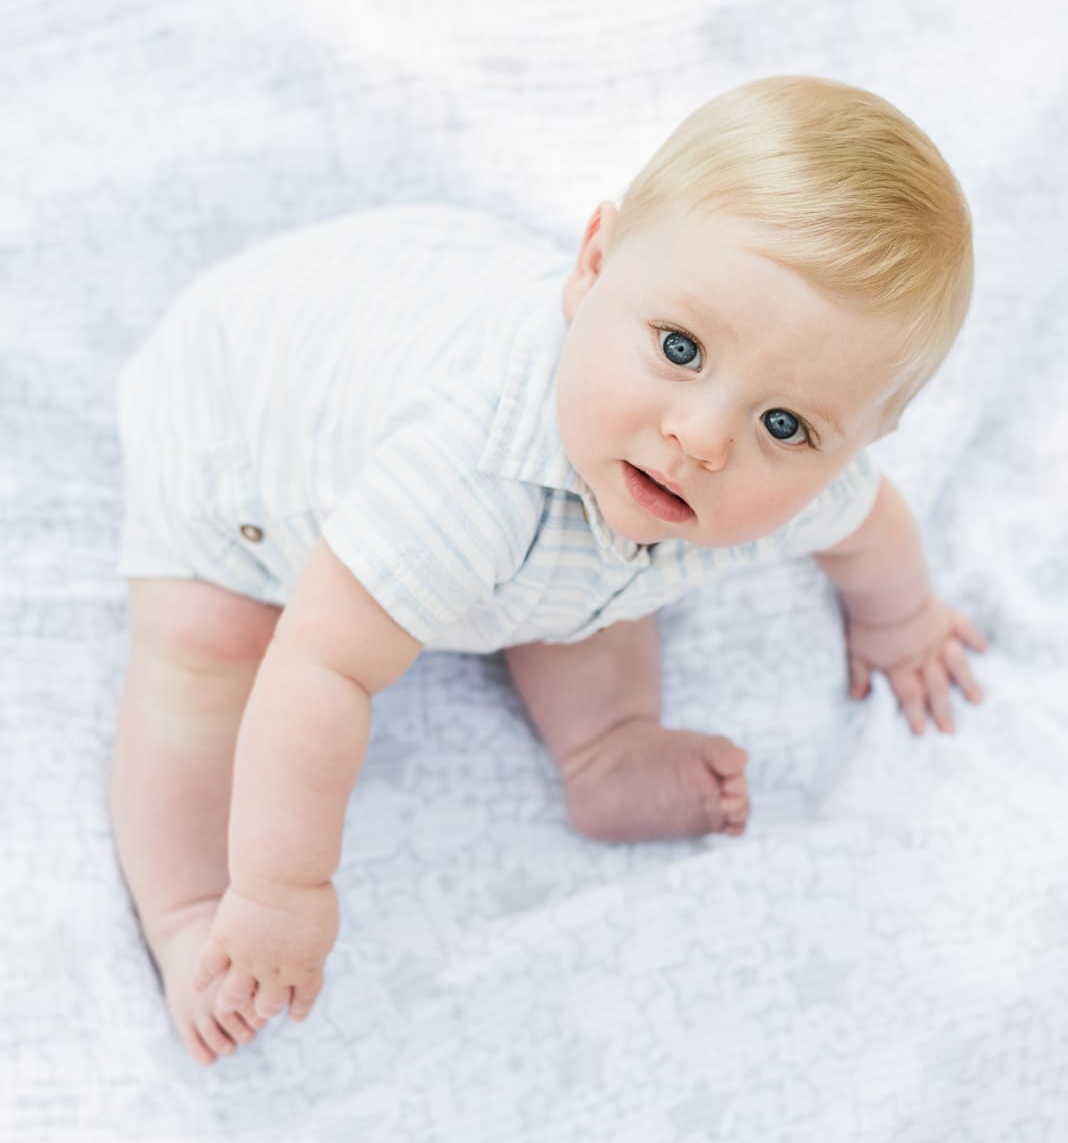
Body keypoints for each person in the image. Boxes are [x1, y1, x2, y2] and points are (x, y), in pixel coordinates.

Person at [110, 75, 987, 1065]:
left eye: (784, 424)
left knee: (606, 562)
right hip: (245, 434)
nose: (699, 439)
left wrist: (901, 620)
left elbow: (869, 528)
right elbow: (322, 667)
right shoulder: (462, 471)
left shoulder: (759, 469)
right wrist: (281, 890)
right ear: (595, 264)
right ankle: (184, 913)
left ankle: (607, 745)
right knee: (210, 651)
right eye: (681, 347)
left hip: (442, 341)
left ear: (861, 435)